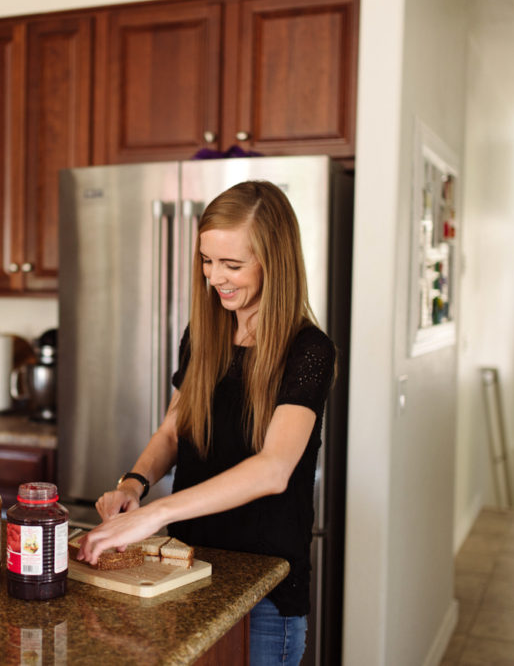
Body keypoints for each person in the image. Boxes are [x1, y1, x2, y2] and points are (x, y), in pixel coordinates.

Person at [76, 180, 336, 666]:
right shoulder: (206, 332)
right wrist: (136, 482)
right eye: (207, 261)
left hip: (263, 591)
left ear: (274, 262)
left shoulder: (309, 351)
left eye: (233, 265)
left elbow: (274, 468)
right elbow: (175, 430)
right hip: (189, 569)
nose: (216, 277)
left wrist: (155, 514)